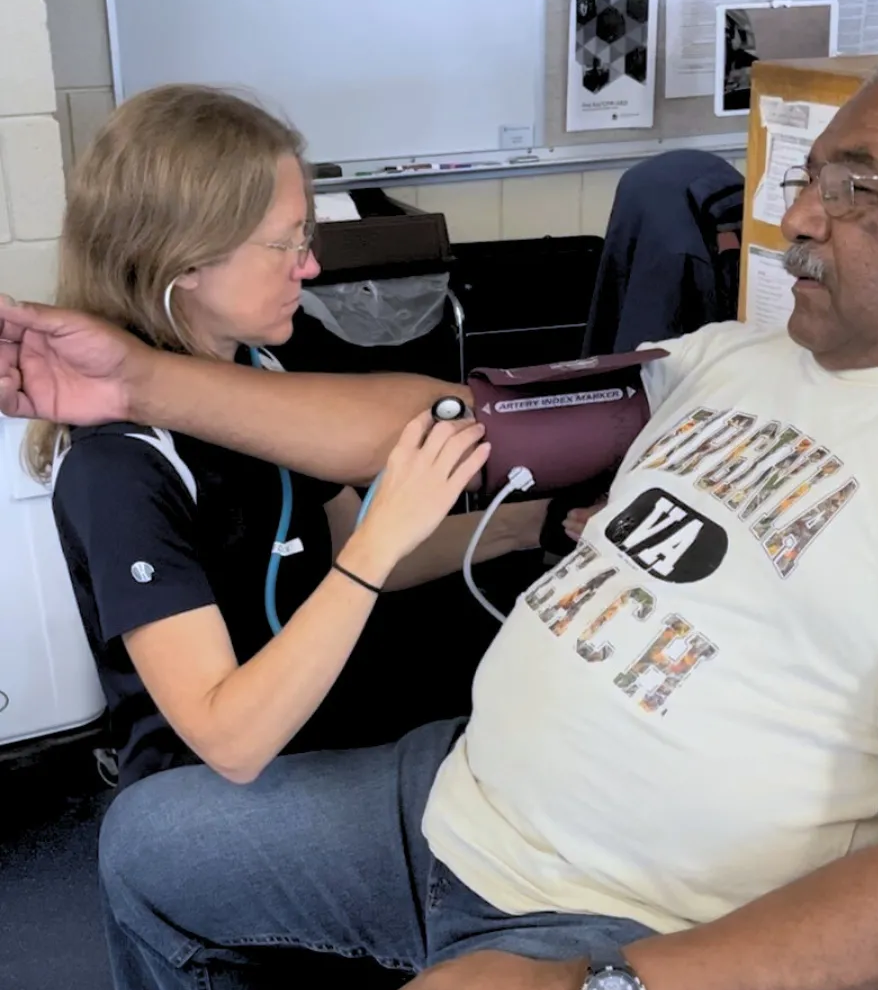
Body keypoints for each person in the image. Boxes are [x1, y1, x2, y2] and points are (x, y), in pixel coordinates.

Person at [2, 56, 878, 990]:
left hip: (626, 923)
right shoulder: (737, 359)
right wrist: (138, 381)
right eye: (805, 180)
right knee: (150, 848)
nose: (795, 216)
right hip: (459, 799)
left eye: (854, 188)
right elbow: (443, 424)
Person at [17, 84, 548, 791]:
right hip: (210, 806)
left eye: (308, 238)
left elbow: (344, 539)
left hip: (321, 737)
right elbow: (230, 741)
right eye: (285, 244)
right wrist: (379, 538)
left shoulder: (256, 371)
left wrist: (537, 527)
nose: (310, 266)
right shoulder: (121, 467)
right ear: (187, 262)